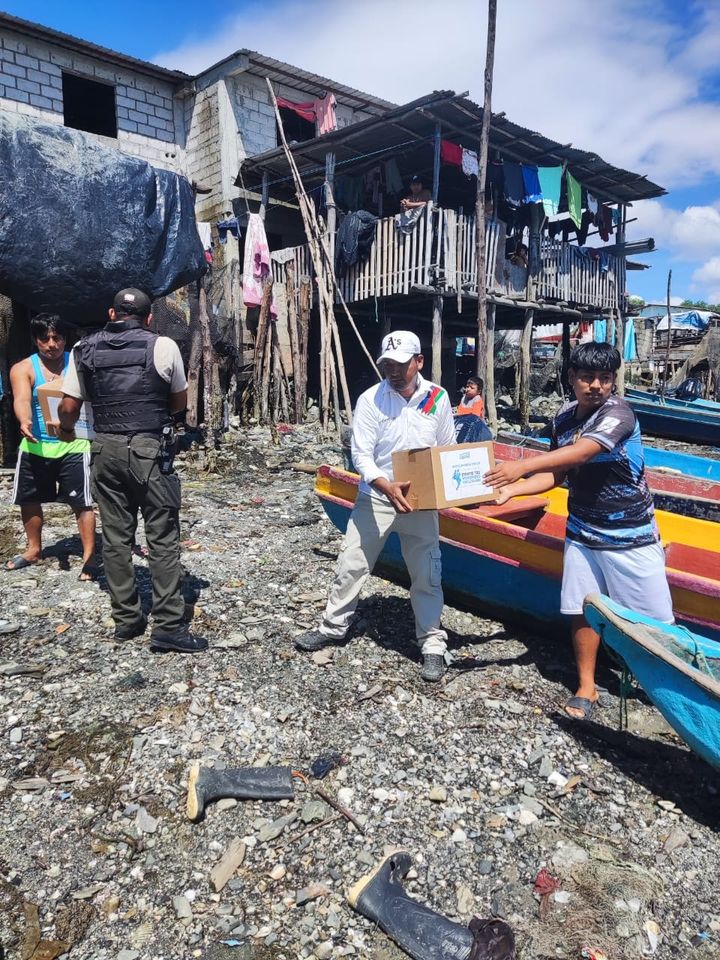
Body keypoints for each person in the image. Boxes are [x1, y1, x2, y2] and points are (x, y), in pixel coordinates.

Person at [484, 342, 672, 719]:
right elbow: (556, 473)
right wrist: (511, 490)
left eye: (605, 378)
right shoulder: (564, 416)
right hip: (582, 533)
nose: (596, 385)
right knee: (581, 609)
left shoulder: (619, 413)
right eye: (587, 377)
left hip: (631, 536)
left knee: (656, 620)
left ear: (613, 381)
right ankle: (587, 684)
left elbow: (583, 452)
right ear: (572, 378)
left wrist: (520, 467)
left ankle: (666, 690)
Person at [294, 331, 455, 682]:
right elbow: (361, 455)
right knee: (352, 563)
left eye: (400, 364)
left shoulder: (438, 398)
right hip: (377, 496)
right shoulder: (371, 399)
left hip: (421, 502)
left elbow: (447, 448)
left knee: (427, 573)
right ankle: (333, 627)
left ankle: (432, 643)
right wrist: (385, 485)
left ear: (419, 362)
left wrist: (446, 491)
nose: (393, 371)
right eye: (387, 365)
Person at [58, 288, 207, 654]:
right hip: (148, 449)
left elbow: (68, 408)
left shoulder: (83, 349)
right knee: (162, 538)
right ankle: (168, 626)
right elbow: (179, 401)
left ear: (111, 314)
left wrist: (65, 430)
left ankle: (127, 620)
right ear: (149, 318)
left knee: (115, 537)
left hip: (104, 449)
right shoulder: (163, 346)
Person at [7, 314, 97, 578]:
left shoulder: (77, 364)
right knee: (29, 499)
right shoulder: (23, 368)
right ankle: (33, 549)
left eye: (56, 338)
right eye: (44, 339)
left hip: (74, 444)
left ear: (65, 339)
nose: (51, 344)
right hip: (36, 444)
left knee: (82, 502)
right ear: (35, 340)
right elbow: (22, 399)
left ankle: (90, 556)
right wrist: (24, 420)